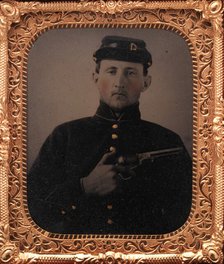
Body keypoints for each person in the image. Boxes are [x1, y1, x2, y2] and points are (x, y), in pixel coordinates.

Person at [27, 35, 192, 235]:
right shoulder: (64, 136)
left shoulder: (168, 141)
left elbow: (190, 219)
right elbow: (29, 209)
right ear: (96, 78)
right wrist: (83, 187)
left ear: (146, 82)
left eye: (130, 73)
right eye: (111, 71)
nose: (119, 82)